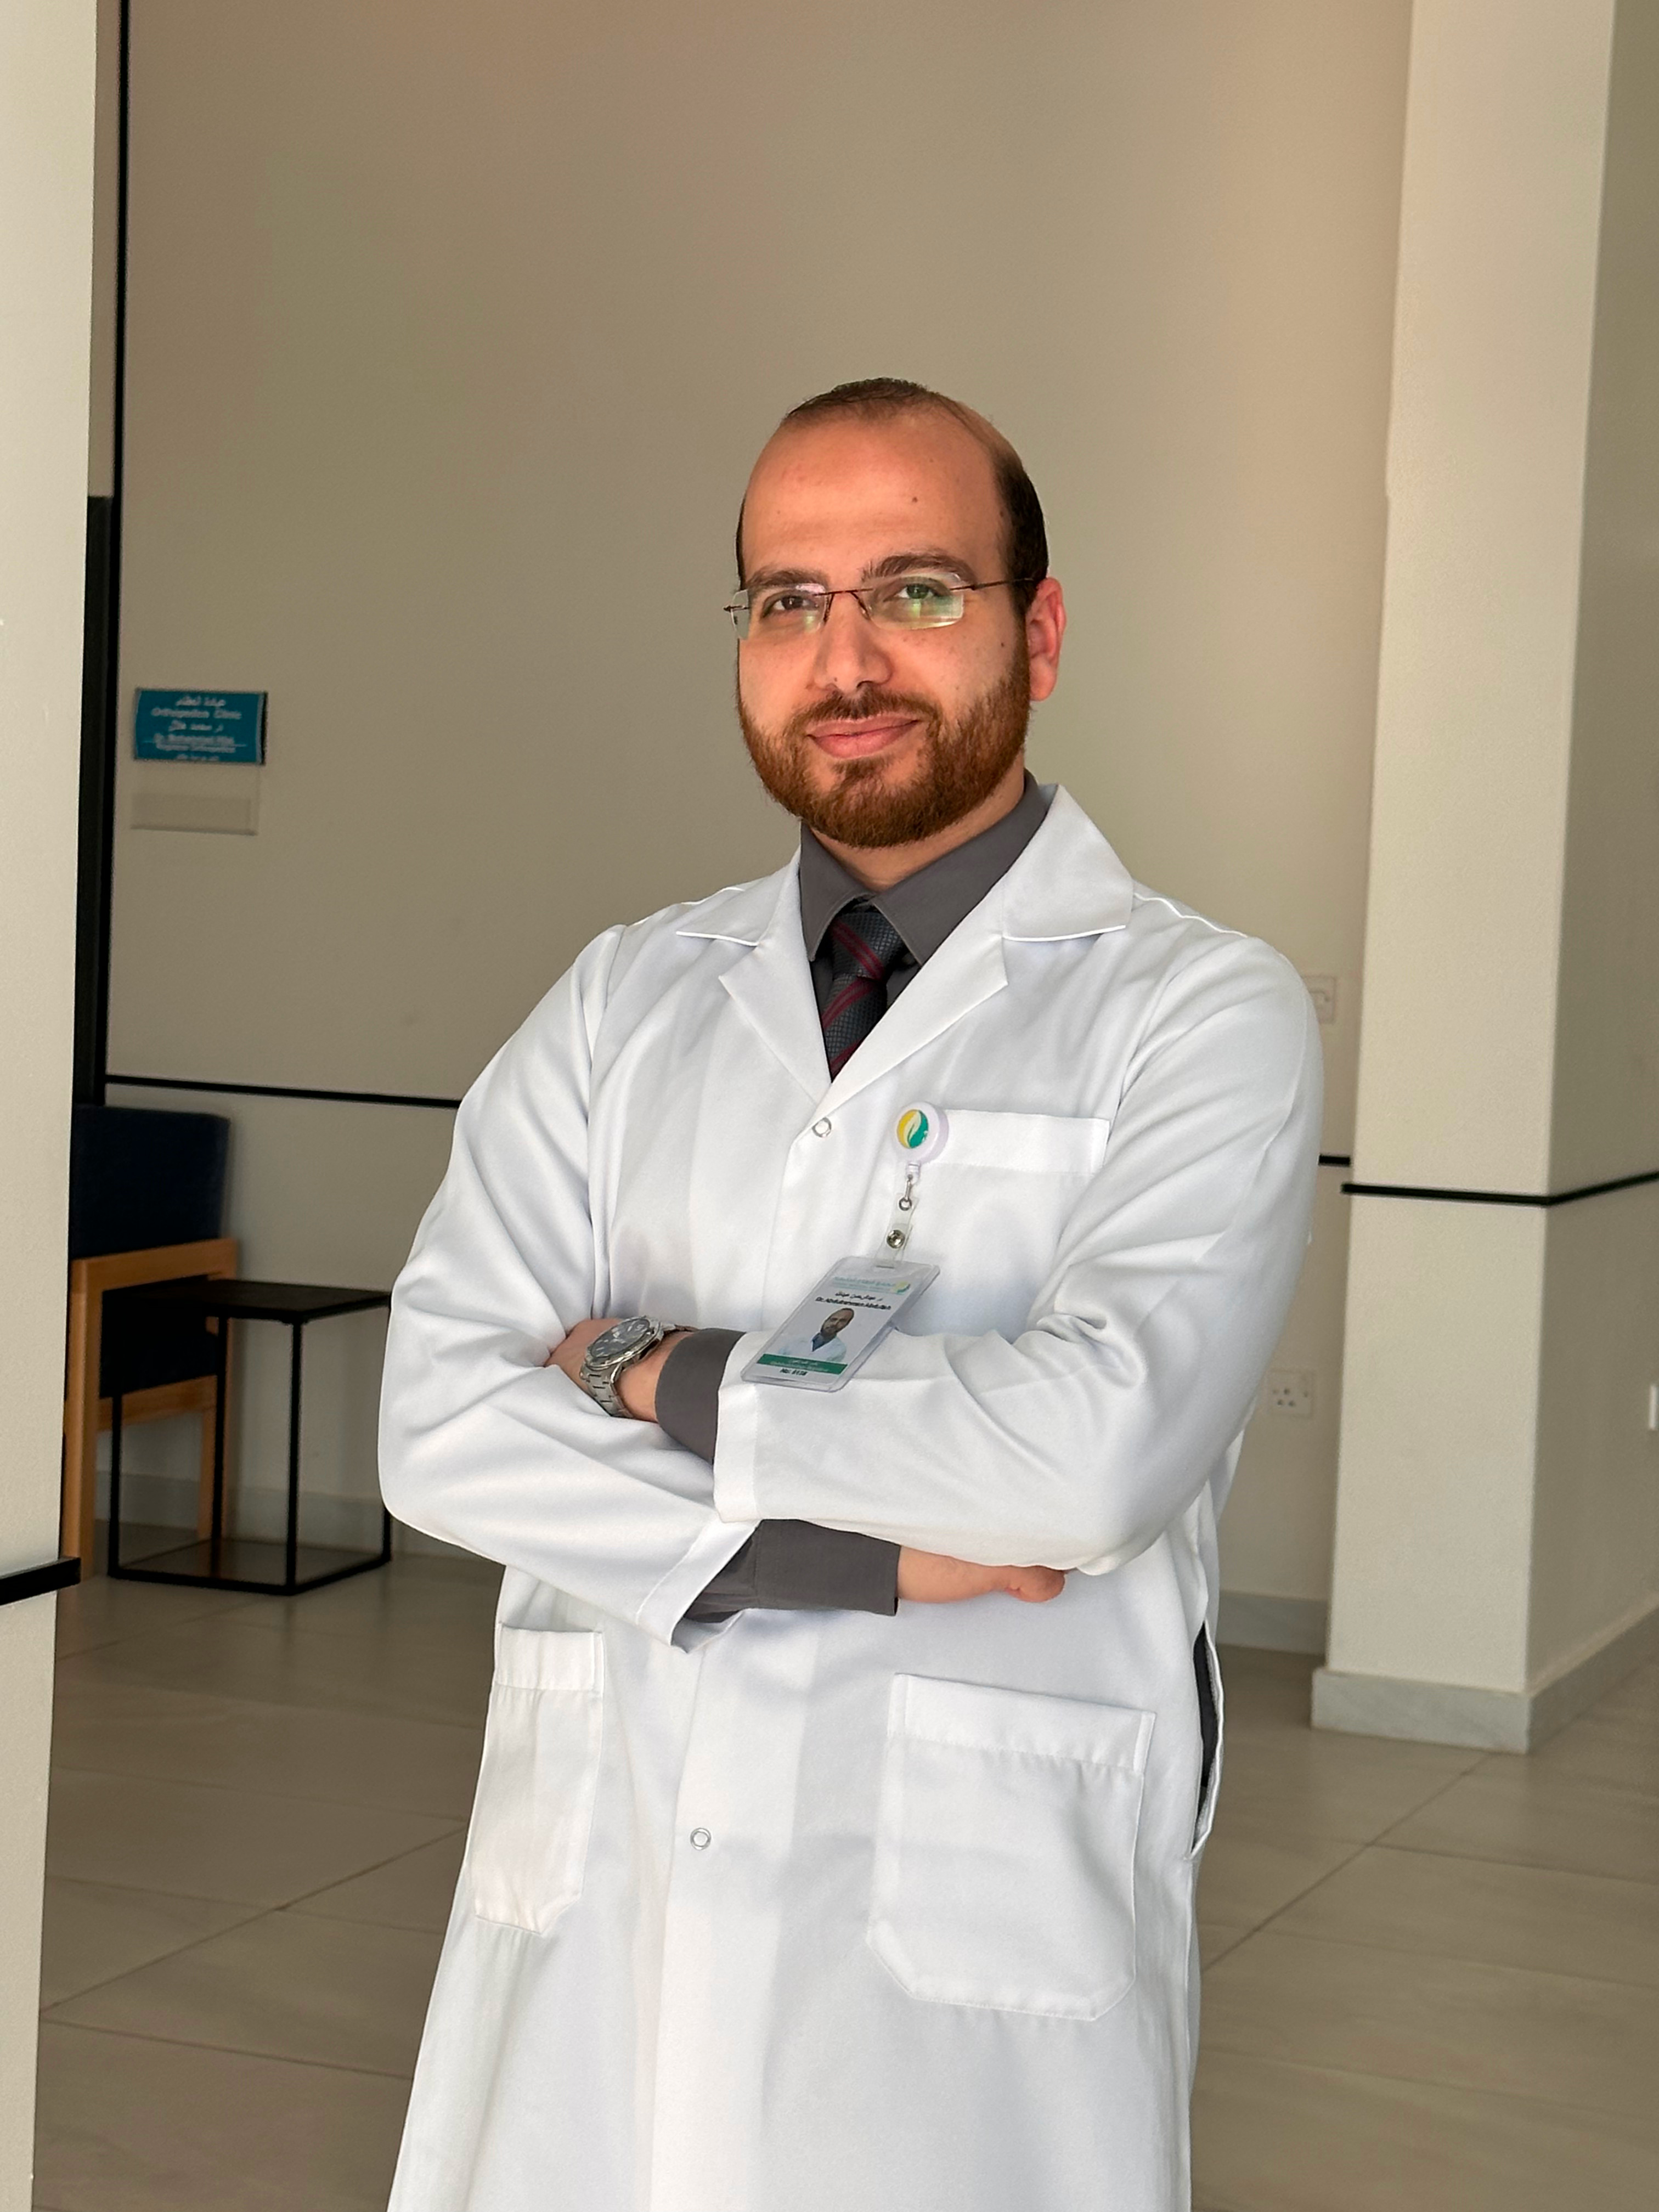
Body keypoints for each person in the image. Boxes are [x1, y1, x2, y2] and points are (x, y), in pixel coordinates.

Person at [379, 376, 1321, 2212]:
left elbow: (1090, 1458)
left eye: (917, 590)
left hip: (970, 1964)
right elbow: (435, 1419)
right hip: (603, 1895)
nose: (846, 657)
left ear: (1039, 631)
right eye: (788, 600)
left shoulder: (1200, 1013)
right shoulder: (622, 1000)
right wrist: (847, 1554)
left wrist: (659, 1371)